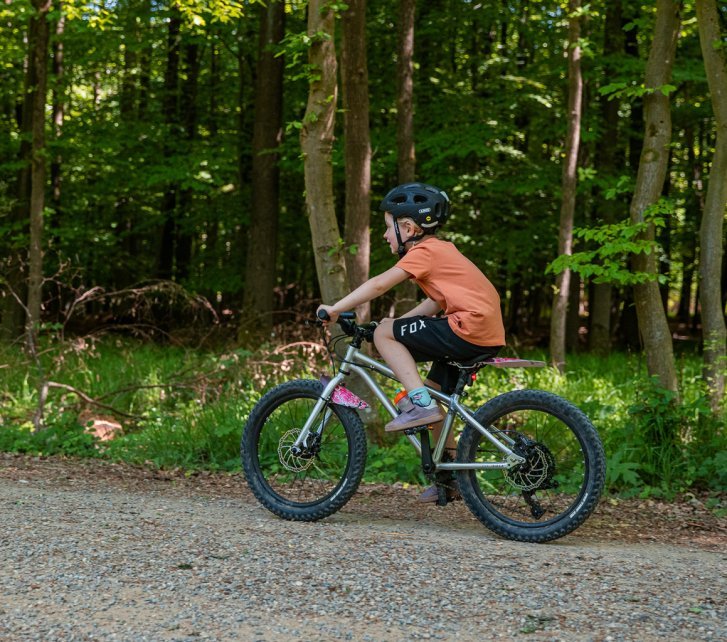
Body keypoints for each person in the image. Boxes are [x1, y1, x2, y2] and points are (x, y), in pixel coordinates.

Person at [317, 182, 505, 502]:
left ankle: (419, 404)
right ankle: (451, 480)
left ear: (408, 227)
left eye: (388, 228)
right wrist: (392, 324)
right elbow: (433, 305)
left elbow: (378, 285)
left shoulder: (424, 252)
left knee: (396, 355)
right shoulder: (442, 252)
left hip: (466, 327)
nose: (385, 235)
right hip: (481, 332)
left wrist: (335, 309)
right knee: (433, 390)